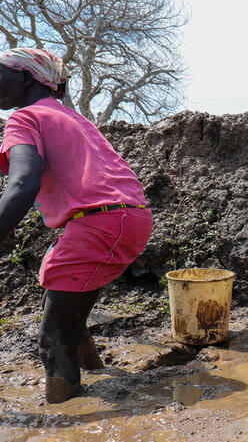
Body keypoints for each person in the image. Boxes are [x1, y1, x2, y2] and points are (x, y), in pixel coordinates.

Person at [0, 47, 153, 403]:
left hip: (99, 222)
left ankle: (65, 417)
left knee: (52, 340)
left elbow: (23, 183)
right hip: (128, 216)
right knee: (63, 292)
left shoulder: (24, 119)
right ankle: (93, 368)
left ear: (24, 77)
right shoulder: (70, 117)